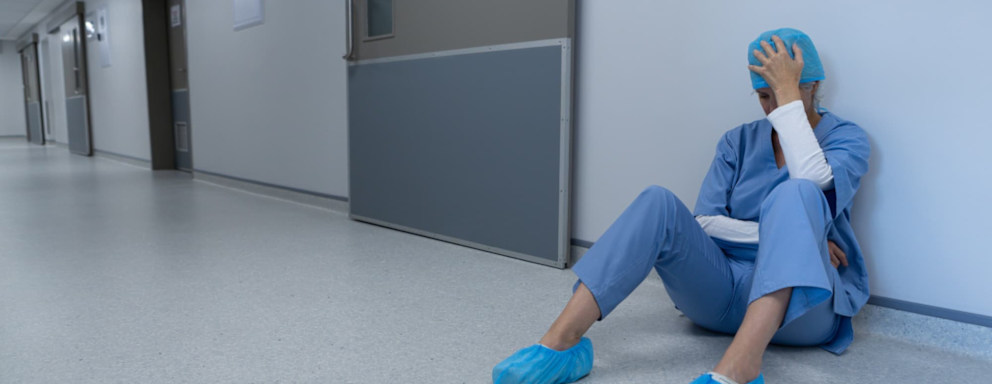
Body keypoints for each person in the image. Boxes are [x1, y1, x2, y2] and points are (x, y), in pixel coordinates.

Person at [492, 28, 871, 384]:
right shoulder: (736, 141)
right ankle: (561, 346)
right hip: (721, 296)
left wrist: (787, 92)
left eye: (784, 92)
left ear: (814, 85)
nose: (772, 106)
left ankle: (739, 368)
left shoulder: (847, 139)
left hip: (800, 311)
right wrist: (802, 241)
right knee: (657, 201)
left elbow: (811, 182)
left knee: (796, 193)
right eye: (764, 95)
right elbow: (704, 222)